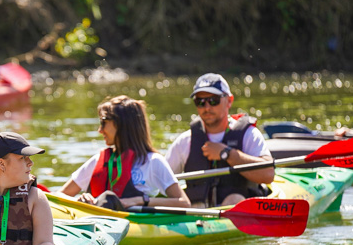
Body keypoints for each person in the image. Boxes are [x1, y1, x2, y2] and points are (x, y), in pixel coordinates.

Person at [59, 96, 190, 211]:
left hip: (137, 224)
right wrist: (79, 201)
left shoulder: (153, 162)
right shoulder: (99, 159)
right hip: (99, 223)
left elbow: (184, 203)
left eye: (103, 123)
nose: (100, 130)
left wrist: (139, 200)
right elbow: (60, 195)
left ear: (121, 125)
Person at [165, 73, 274, 208]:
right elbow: (160, 181)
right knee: (196, 205)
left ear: (229, 101)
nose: (207, 107)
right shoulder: (185, 141)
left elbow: (268, 174)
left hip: (239, 213)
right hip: (198, 216)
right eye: (200, 102)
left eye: (213, 100)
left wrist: (228, 154)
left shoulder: (248, 135)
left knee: (234, 199)